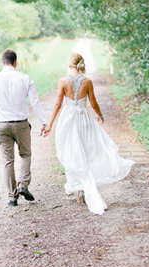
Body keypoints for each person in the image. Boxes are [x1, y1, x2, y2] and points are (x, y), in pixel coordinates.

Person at [42, 52, 134, 214]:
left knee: (72, 152)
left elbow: (57, 104)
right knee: (87, 151)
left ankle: (79, 188)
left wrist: (50, 124)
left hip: (68, 120)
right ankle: (84, 188)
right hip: (84, 119)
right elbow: (93, 103)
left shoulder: (63, 82)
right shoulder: (88, 82)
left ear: (70, 65)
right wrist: (100, 115)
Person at [0, 49, 48, 206]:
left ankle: (12, 197)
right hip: (21, 124)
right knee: (25, 154)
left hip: (3, 125)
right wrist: (43, 122)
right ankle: (23, 185)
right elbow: (35, 102)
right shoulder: (25, 79)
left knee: (8, 161)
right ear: (15, 62)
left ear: (2, 62)